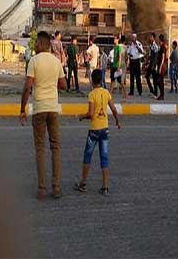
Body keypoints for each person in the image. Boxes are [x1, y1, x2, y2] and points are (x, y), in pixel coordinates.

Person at [20, 31, 67, 200]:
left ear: (41, 44)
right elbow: (63, 85)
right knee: (55, 148)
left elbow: (27, 87)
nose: (35, 46)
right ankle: (56, 187)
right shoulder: (56, 62)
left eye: (36, 44)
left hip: (39, 108)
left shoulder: (34, 61)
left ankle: (42, 189)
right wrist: (52, 83)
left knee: (40, 149)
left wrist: (22, 109)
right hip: (53, 109)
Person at [76, 69, 120, 196]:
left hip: (94, 130)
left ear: (92, 81)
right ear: (101, 80)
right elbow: (113, 109)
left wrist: (81, 116)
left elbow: (90, 114)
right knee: (104, 158)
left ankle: (83, 184)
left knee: (87, 156)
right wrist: (117, 121)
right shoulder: (106, 93)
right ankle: (105, 187)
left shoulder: (92, 94)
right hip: (104, 129)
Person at [145, 32, 159, 97]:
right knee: (147, 77)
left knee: (154, 79)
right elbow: (150, 56)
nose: (150, 38)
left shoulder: (155, 46)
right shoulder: (151, 45)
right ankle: (152, 91)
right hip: (151, 64)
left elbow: (156, 56)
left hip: (153, 64)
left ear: (154, 38)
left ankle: (155, 92)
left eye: (151, 37)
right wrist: (146, 62)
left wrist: (154, 65)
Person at [156, 34, 167, 100]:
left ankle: (162, 94)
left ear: (160, 39)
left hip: (162, 66)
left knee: (159, 80)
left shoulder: (163, 47)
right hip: (160, 65)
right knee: (160, 81)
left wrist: (160, 67)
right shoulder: (161, 46)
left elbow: (163, 58)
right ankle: (161, 94)